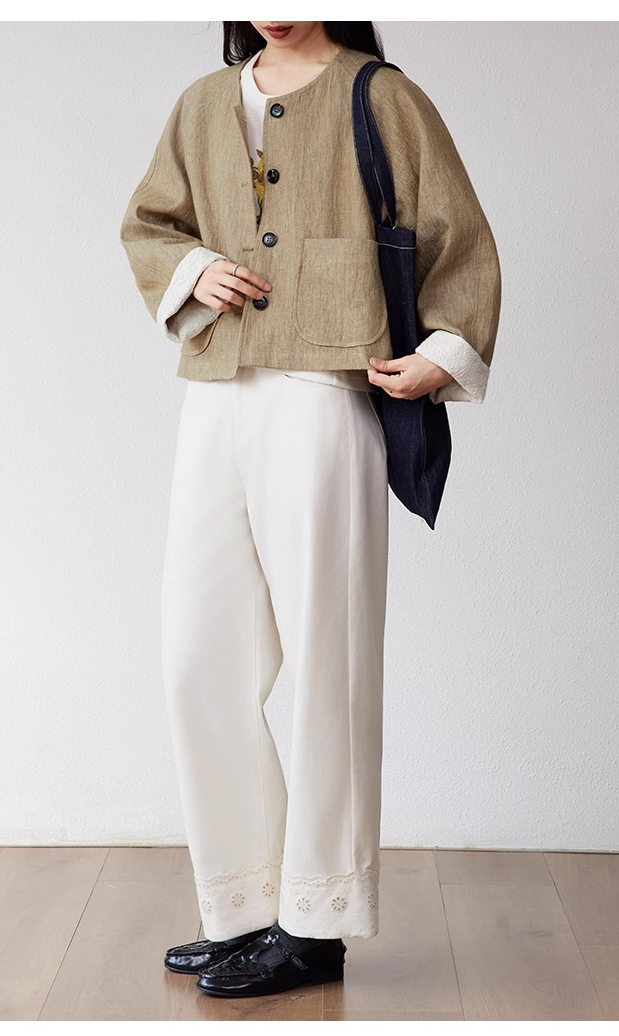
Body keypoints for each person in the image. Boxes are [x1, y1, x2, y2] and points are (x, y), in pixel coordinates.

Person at [120, 20, 501, 999]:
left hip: (326, 396)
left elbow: (459, 236)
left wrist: (443, 353)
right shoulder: (204, 102)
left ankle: (317, 921)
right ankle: (244, 904)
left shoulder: (382, 96)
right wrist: (193, 269)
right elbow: (150, 223)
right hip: (216, 393)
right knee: (198, 657)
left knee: (330, 663)